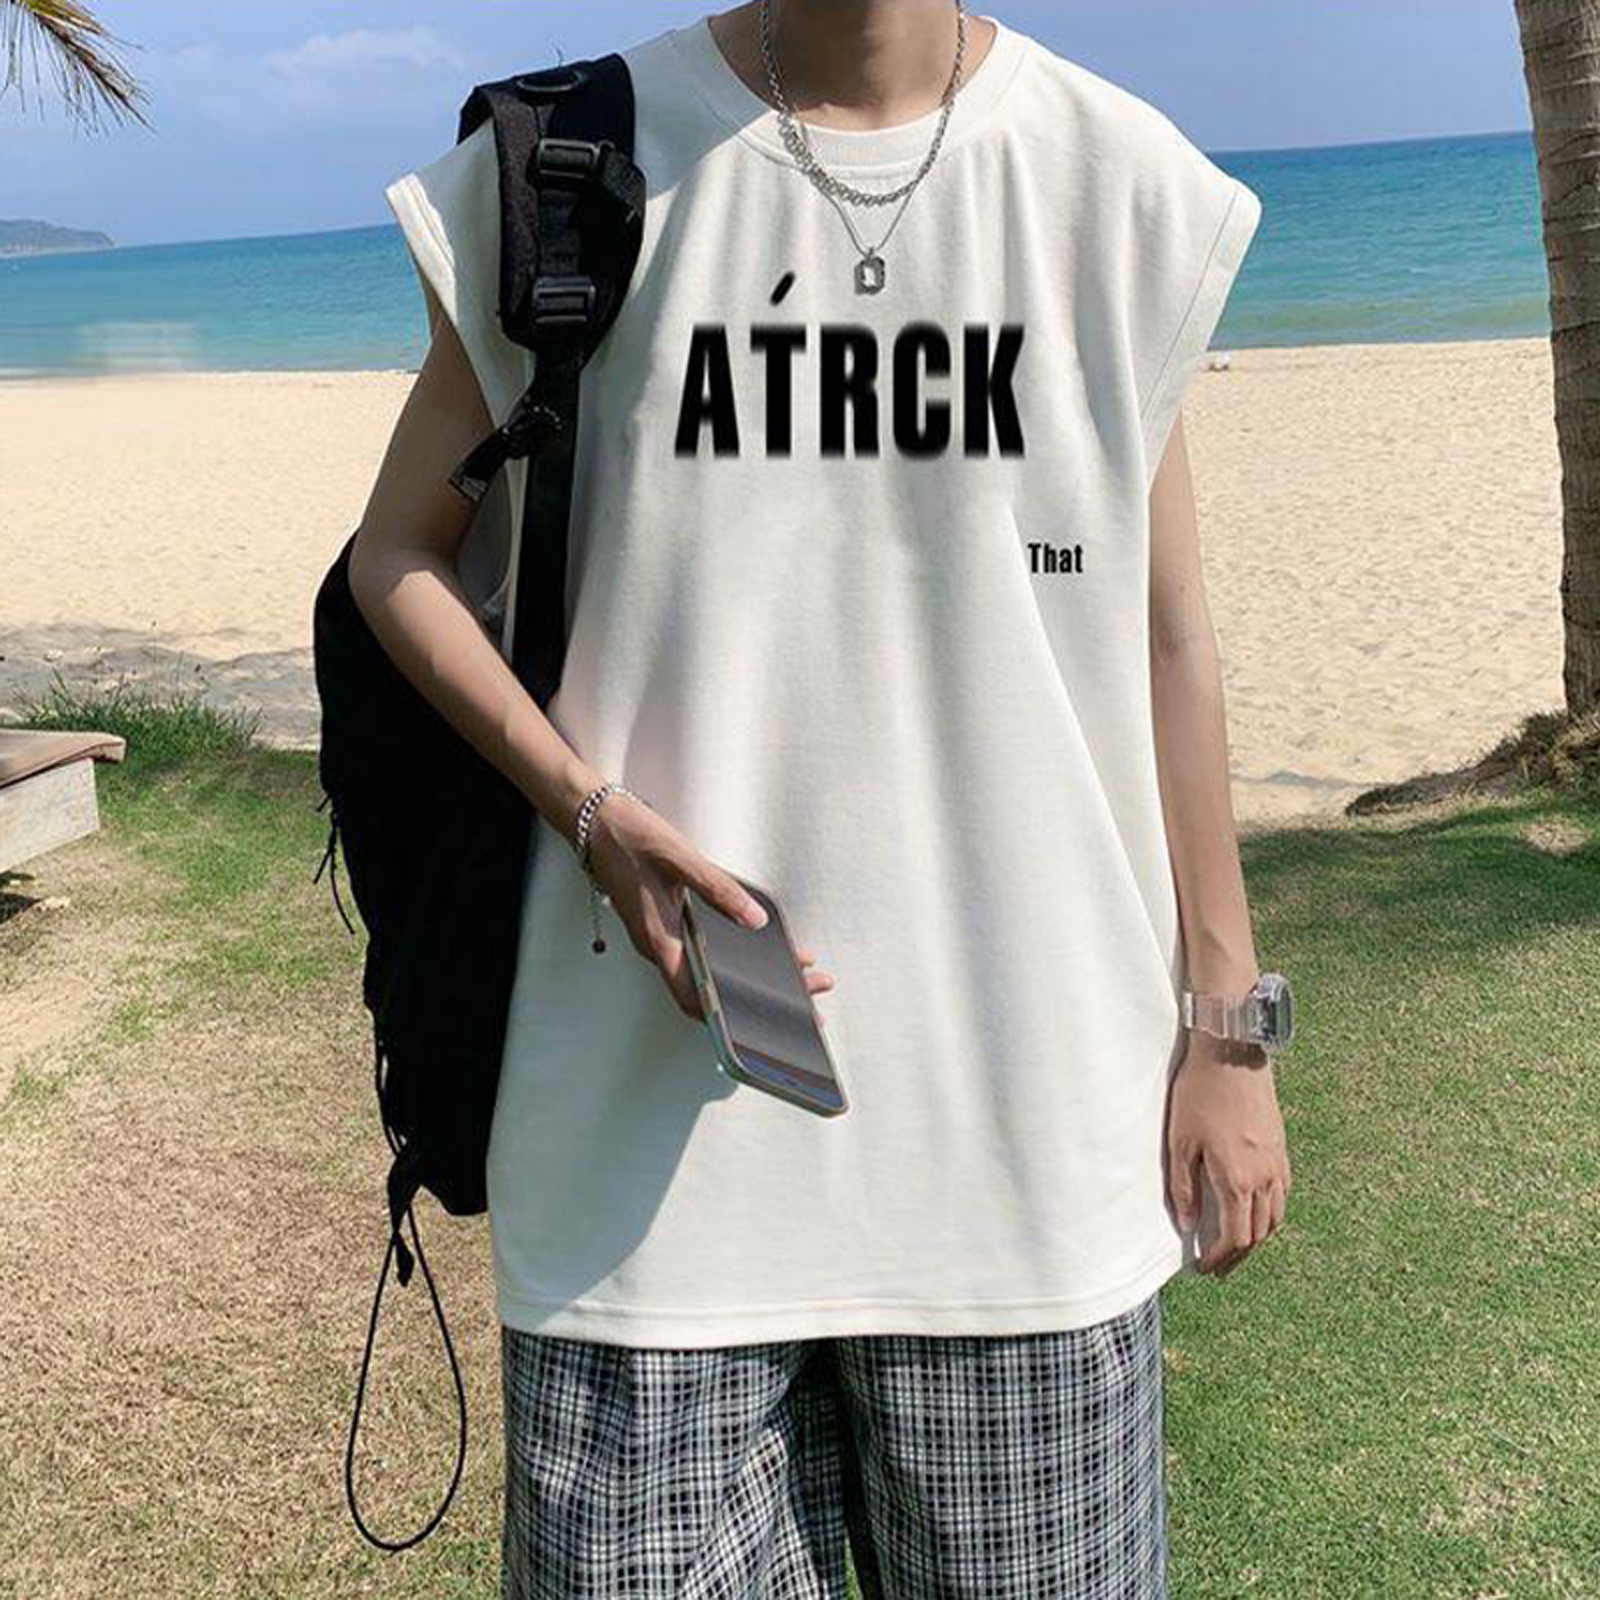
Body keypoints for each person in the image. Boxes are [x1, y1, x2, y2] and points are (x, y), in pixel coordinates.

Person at [352, 1, 1292, 1594]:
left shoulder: (1119, 182)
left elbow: (1170, 633)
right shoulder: (565, 168)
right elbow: (397, 553)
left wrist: (1230, 1032)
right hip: (640, 1186)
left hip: (1025, 1171)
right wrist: (587, 811)